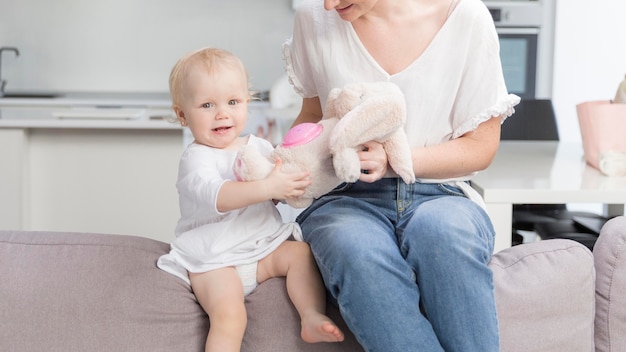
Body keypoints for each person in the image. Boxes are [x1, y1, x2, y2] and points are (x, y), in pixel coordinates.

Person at [283, 0, 520, 351]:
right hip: (344, 196)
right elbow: (313, 116)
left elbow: (481, 146)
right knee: (355, 248)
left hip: (440, 193)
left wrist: (396, 159)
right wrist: (285, 163)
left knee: (442, 233)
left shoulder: (465, 17)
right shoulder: (313, 19)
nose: (329, 4)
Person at [157, 47, 344, 352]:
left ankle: (310, 316)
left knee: (301, 255)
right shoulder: (196, 159)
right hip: (215, 260)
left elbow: (275, 191)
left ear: (248, 102)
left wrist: (293, 185)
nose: (222, 113)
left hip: (260, 249)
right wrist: (271, 187)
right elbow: (221, 197)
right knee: (230, 317)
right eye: (207, 105)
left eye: (233, 102)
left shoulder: (257, 146)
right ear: (182, 114)